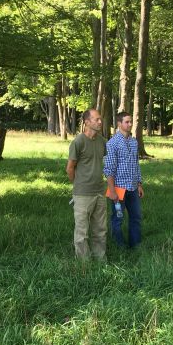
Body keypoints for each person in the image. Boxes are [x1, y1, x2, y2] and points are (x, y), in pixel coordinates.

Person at [66, 108, 107, 260]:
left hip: (100, 192)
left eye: (100, 119)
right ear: (87, 122)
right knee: (82, 232)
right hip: (82, 194)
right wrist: (78, 185)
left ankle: (100, 258)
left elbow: (110, 161)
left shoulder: (102, 141)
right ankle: (84, 264)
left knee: (100, 229)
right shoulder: (78, 142)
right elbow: (70, 168)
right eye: (97, 119)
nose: (100, 122)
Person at [104, 110, 144, 248]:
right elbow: (108, 169)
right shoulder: (112, 143)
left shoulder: (134, 142)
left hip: (133, 187)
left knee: (136, 217)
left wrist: (139, 184)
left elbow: (136, 164)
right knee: (118, 218)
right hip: (118, 189)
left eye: (131, 121)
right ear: (119, 123)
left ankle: (135, 245)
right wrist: (112, 190)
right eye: (127, 122)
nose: (130, 124)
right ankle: (119, 247)